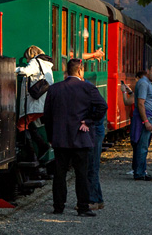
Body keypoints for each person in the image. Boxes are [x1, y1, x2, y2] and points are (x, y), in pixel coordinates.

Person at [42, 58, 108, 216]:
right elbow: (102, 106)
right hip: (81, 137)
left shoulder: (54, 89)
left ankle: (58, 207)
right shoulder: (87, 88)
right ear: (80, 70)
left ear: (67, 71)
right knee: (81, 174)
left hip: (60, 138)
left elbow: (47, 116)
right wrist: (90, 120)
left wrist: (51, 136)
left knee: (59, 175)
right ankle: (83, 207)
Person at [16, 46, 55, 170]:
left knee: (21, 125)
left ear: (31, 55)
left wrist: (12, 68)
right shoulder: (46, 64)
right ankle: (42, 146)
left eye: (27, 58)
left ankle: (32, 155)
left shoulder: (35, 61)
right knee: (29, 123)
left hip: (35, 103)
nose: (27, 61)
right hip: (43, 103)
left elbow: (26, 72)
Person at [131, 64, 152, 181]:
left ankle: (141, 171)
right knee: (142, 146)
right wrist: (146, 121)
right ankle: (139, 173)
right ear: (148, 71)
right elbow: (141, 103)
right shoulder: (143, 83)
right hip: (144, 118)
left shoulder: (148, 83)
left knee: (143, 146)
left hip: (147, 117)